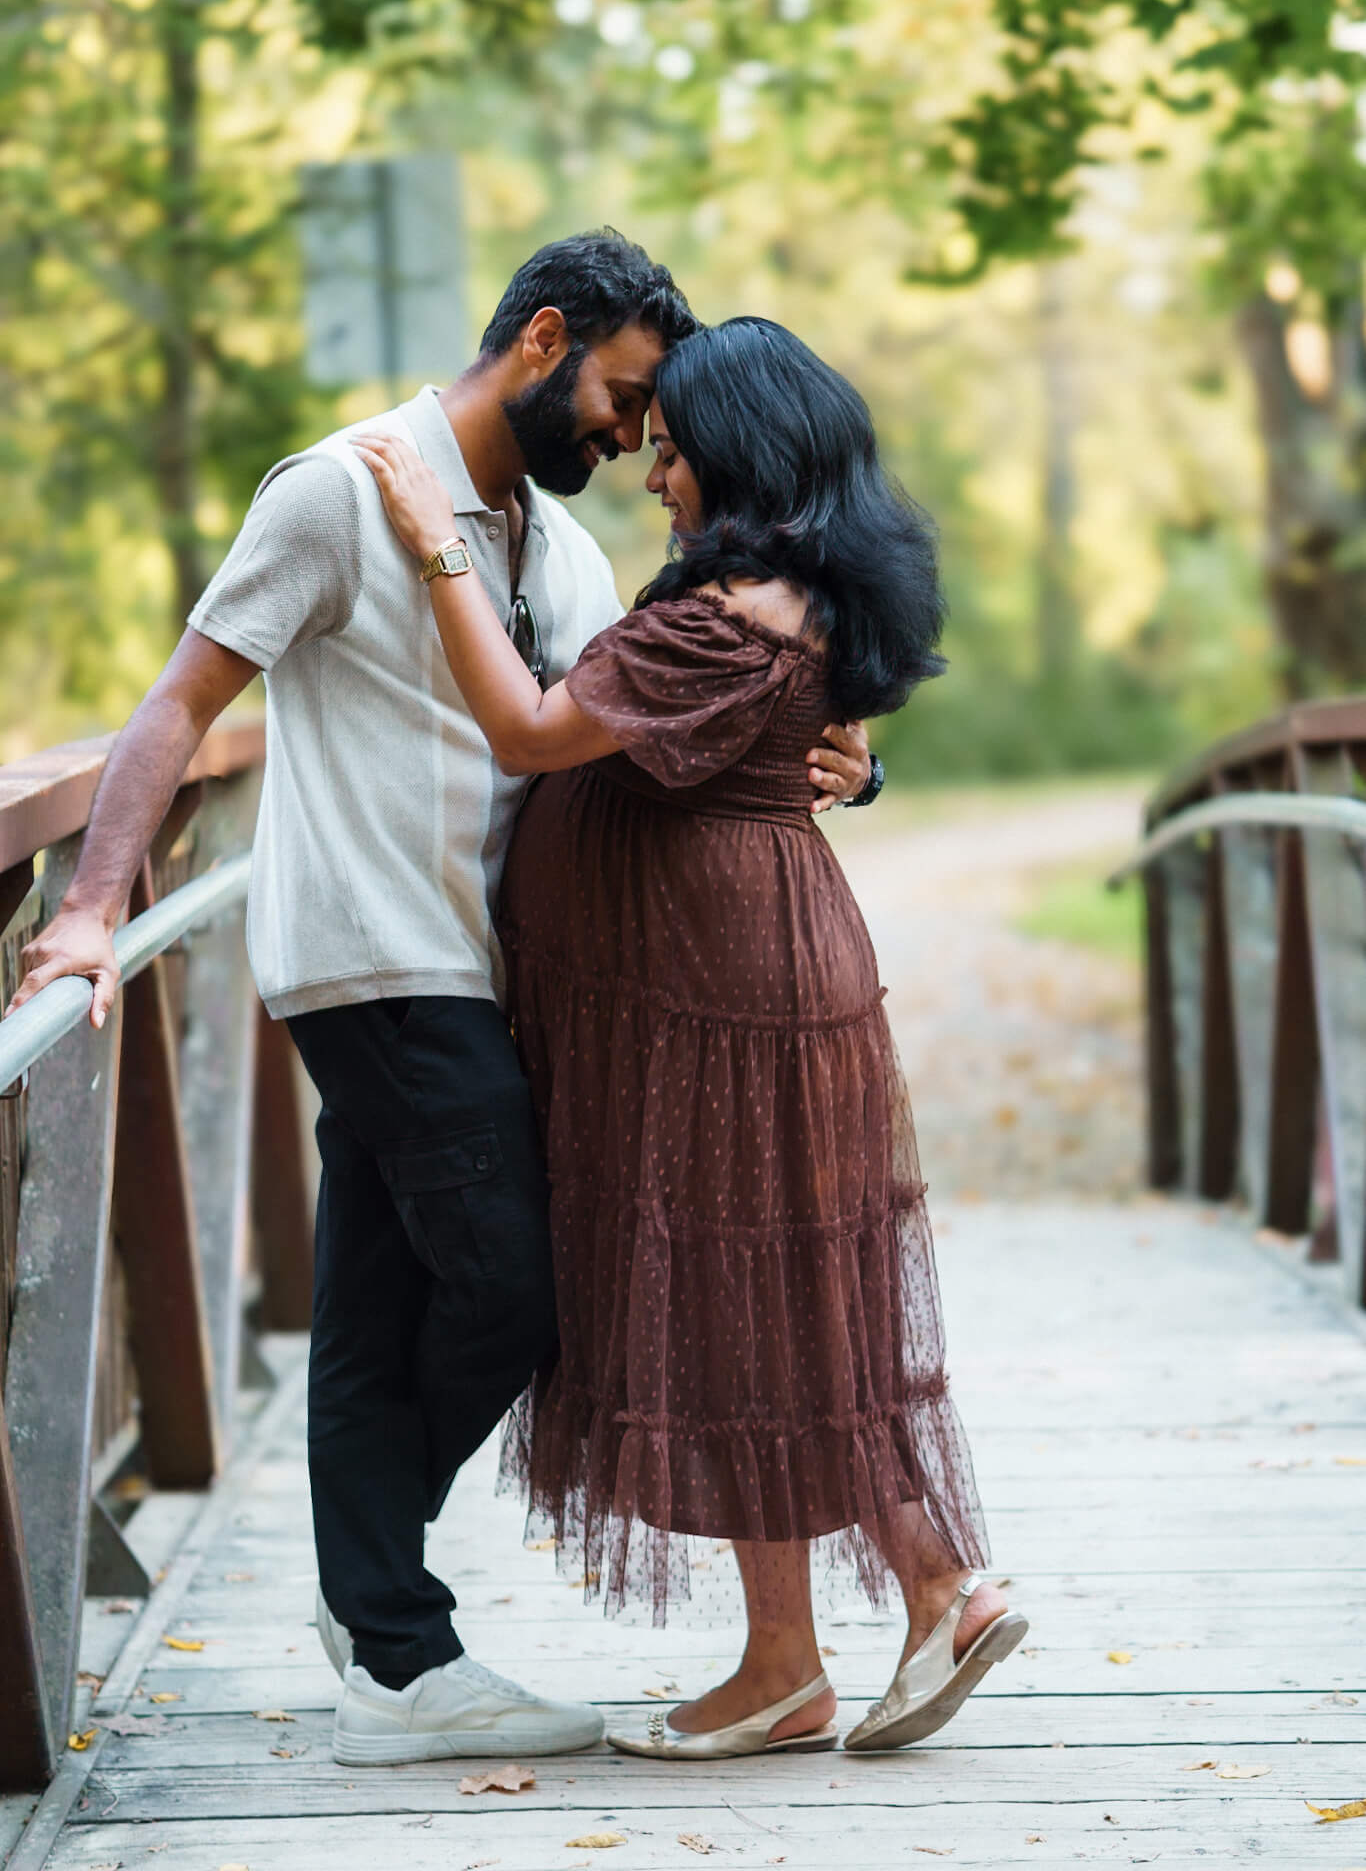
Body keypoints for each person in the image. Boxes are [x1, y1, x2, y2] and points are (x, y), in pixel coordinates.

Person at [5, 235, 875, 1766]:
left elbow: (660, 713)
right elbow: (179, 705)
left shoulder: (555, 543)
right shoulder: (345, 489)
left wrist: (862, 765)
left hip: (507, 979)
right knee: (516, 1289)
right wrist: (86, 906)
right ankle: (382, 1602)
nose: (634, 436)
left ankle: (394, 1656)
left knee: (379, 1303)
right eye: (620, 397)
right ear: (542, 341)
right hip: (385, 958)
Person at [353, 314, 1028, 1763]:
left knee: (763, 1314)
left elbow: (534, 733)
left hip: (716, 1001)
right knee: (757, 1308)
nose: (653, 475)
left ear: (739, 456)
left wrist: (433, 543)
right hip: (734, 980)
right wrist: (861, 766)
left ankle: (934, 1587)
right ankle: (785, 1664)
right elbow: (788, 739)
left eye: (672, 453)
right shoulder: (785, 595)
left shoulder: (731, 611)